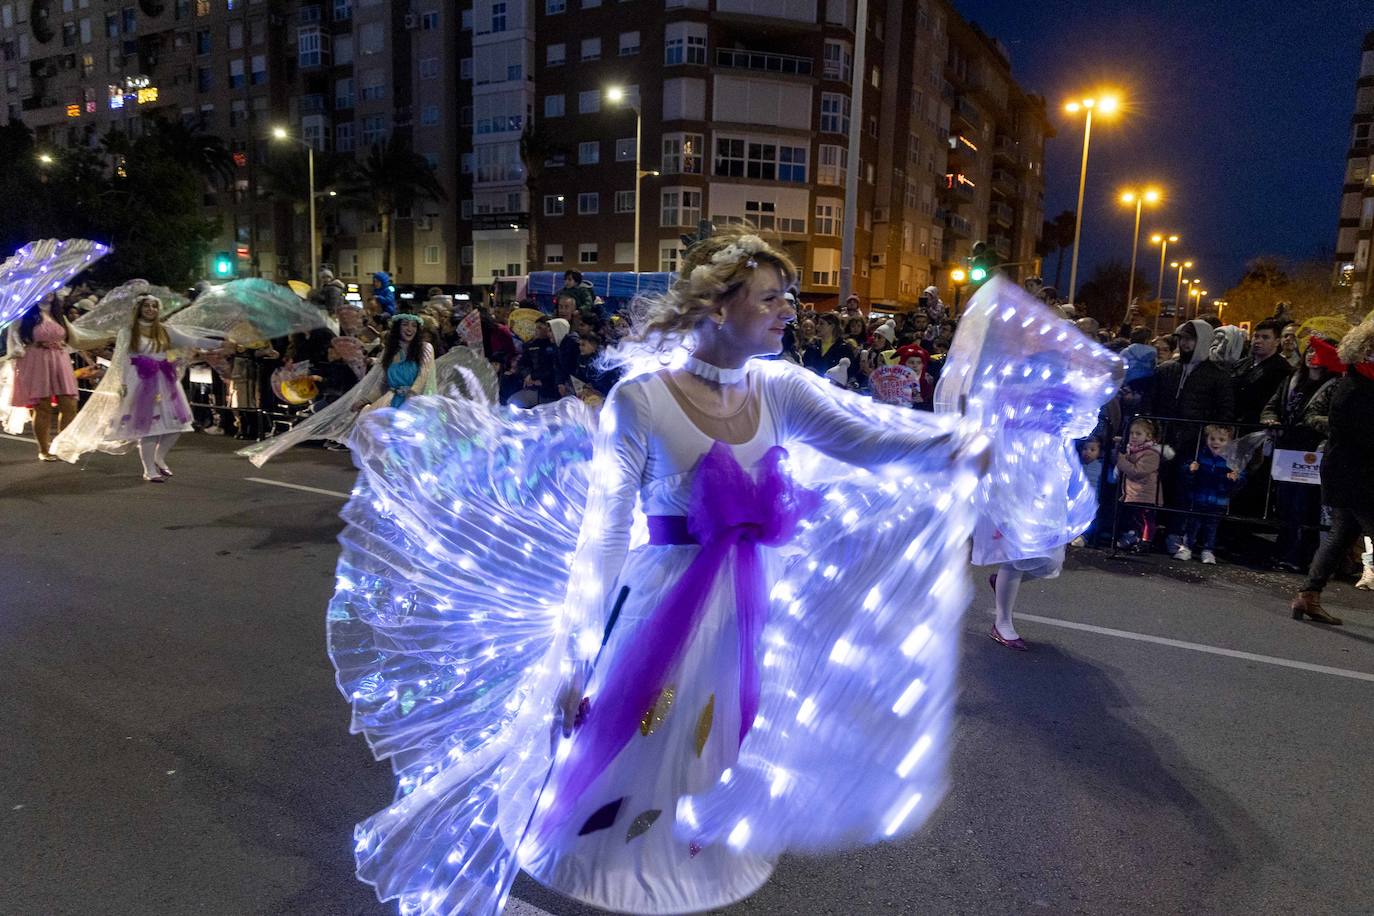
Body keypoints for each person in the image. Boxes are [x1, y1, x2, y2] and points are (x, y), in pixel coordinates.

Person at [325, 229, 1127, 916]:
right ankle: (613, 854)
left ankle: (687, 848)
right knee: (638, 732)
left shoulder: (778, 387)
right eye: (772, 298)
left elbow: (876, 438)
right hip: (659, 601)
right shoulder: (643, 399)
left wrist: (961, 443)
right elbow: (604, 534)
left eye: (789, 300)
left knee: (714, 736)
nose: (789, 311)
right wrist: (577, 650)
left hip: (743, 603)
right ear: (718, 306)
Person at [50, 295, 225, 480]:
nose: (151, 309)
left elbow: (193, 341)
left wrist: (222, 343)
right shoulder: (128, 331)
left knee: (176, 426)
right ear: (139, 309)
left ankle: (159, 458)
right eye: (147, 306)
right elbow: (121, 360)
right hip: (140, 382)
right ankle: (149, 470)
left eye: (154, 306)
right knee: (149, 429)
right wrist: (123, 384)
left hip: (165, 381)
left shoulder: (165, 330)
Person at [1289, 320, 1374, 626]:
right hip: (1357, 476)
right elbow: (1364, 435)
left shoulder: (1357, 381)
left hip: (1348, 473)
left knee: (1340, 535)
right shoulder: (1357, 386)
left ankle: (1308, 595)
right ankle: (1308, 595)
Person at [1262, 337, 1339, 571]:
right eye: (1309, 351)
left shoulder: (1335, 385)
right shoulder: (1293, 380)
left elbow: (1337, 421)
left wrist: (1313, 421)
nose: (1311, 356)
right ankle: (1282, 550)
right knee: (1285, 503)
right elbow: (1272, 405)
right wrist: (1269, 419)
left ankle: (1302, 555)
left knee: (1307, 504)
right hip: (1288, 448)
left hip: (1314, 450)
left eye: (1318, 352)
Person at [5, 297, 107, 461]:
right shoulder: (24, 314)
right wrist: (19, 350)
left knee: (69, 404)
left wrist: (106, 335)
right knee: (42, 407)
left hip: (60, 359)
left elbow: (76, 336)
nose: (49, 293)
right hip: (35, 361)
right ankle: (44, 450)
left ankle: (61, 445)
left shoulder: (59, 315)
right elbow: (14, 337)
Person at [1174, 425, 1243, 564]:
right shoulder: (1200, 456)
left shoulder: (1231, 461)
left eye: (1221, 439)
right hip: (1198, 497)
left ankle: (1208, 550)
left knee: (1211, 527)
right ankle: (1186, 547)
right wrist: (1190, 470)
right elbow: (1186, 474)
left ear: (1229, 442)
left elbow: (1239, 481)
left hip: (1218, 501)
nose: (1215, 442)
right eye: (1212, 438)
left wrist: (1236, 478)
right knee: (1192, 525)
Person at [352, 313, 434, 412]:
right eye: (405, 324)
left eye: (414, 325)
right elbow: (383, 384)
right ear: (397, 328)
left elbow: (423, 375)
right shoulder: (389, 351)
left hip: (415, 405)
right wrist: (365, 400)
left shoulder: (425, 348)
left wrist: (411, 399)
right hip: (392, 403)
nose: (410, 329)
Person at [1115, 417, 1167, 550]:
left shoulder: (1151, 453)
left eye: (1138, 434)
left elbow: (1137, 471)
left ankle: (1146, 542)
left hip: (1146, 495)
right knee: (1134, 518)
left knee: (1146, 519)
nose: (1133, 436)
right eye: (1132, 433)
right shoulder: (1132, 450)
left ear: (1148, 436)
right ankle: (1134, 538)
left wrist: (1120, 460)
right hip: (1134, 493)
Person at [1233, 319, 1291, 425]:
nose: (1258, 341)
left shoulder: (1282, 369)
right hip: (1233, 422)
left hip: (1258, 424)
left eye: (1265, 337)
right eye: (1256, 336)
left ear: (1277, 342)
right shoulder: (1241, 364)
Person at [802, 312, 854, 384]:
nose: (817, 327)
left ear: (832, 326)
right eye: (818, 323)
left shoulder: (844, 348)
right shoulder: (812, 345)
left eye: (821, 324)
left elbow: (850, 373)